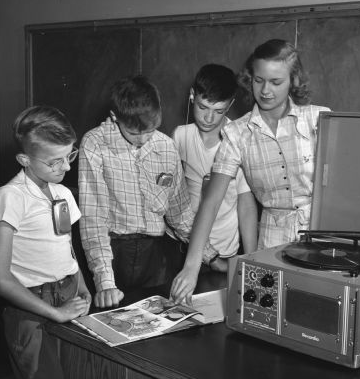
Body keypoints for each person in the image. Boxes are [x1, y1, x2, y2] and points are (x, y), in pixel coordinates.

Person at [171, 39, 331, 303]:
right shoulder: (235, 134)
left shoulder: (320, 118)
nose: (265, 90)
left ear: (293, 81)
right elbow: (210, 202)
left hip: (321, 241)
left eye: (276, 82)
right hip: (271, 246)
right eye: (258, 80)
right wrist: (191, 266)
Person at [79, 75, 217, 309]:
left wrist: (211, 256)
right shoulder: (95, 144)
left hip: (155, 256)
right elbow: (94, 220)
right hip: (112, 253)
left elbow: (180, 214)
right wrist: (105, 283)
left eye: (150, 130)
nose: (143, 139)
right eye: (134, 133)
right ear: (115, 117)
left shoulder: (166, 146)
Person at [0, 105, 91, 379]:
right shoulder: (11, 197)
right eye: (55, 161)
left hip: (69, 296)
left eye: (70, 156)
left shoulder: (63, 194)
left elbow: (67, 247)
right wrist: (54, 313)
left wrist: (83, 286)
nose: (67, 168)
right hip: (31, 311)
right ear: (24, 159)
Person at [172, 63, 258, 277]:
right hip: (180, 250)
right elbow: (171, 199)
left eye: (218, 110)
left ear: (230, 105)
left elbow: (246, 205)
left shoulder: (239, 139)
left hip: (224, 254)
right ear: (192, 96)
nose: (208, 118)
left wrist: (253, 260)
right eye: (203, 107)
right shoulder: (180, 136)